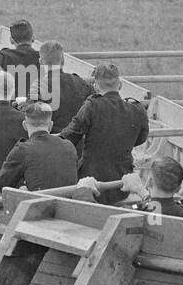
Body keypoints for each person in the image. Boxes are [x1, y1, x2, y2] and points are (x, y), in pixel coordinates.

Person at [59, 63, 148, 205]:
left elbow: (70, 136)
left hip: (92, 184)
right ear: (120, 85)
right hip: (122, 185)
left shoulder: (92, 105)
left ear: (95, 85)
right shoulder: (137, 109)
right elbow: (140, 139)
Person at [0, 102, 79, 192]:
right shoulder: (69, 146)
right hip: (69, 204)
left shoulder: (22, 150)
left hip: (39, 204)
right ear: (50, 125)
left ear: (25, 125)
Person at [93, 157, 183, 219]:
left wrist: (85, 189)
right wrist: (142, 192)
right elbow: (161, 207)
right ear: (178, 188)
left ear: (149, 182)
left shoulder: (132, 212)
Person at [36, 41, 93, 131]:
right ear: (63, 60)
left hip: (52, 139)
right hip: (79, 140)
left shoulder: (39, 87)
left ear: (40, 62)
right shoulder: (82, 83)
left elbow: (35, 118)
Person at [0, 19, 41, 98]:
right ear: (33, 38)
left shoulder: (4, 57)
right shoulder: (43, 59)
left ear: (11, 40)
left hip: (8, 106)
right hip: (34, 107)